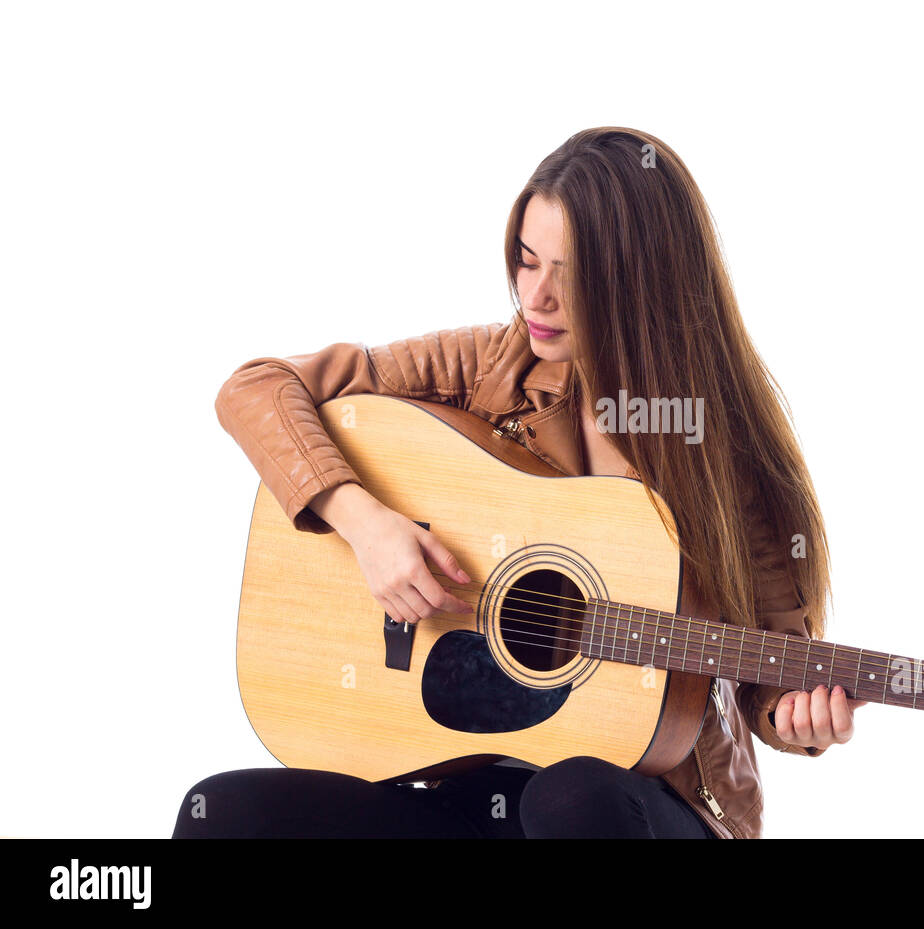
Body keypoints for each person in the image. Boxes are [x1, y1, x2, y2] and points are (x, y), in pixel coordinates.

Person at [174, 127, 866, 840]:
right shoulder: (489, 366)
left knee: (571, 794)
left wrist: (799, 718)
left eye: (567, 276)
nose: (534, 297)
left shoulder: (723, 447)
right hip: (473, 781)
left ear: (642, 281)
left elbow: (777, 668)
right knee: (225, 815)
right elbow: (257, 387)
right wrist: (367, 524)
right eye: (526, 261)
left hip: (643, 805)